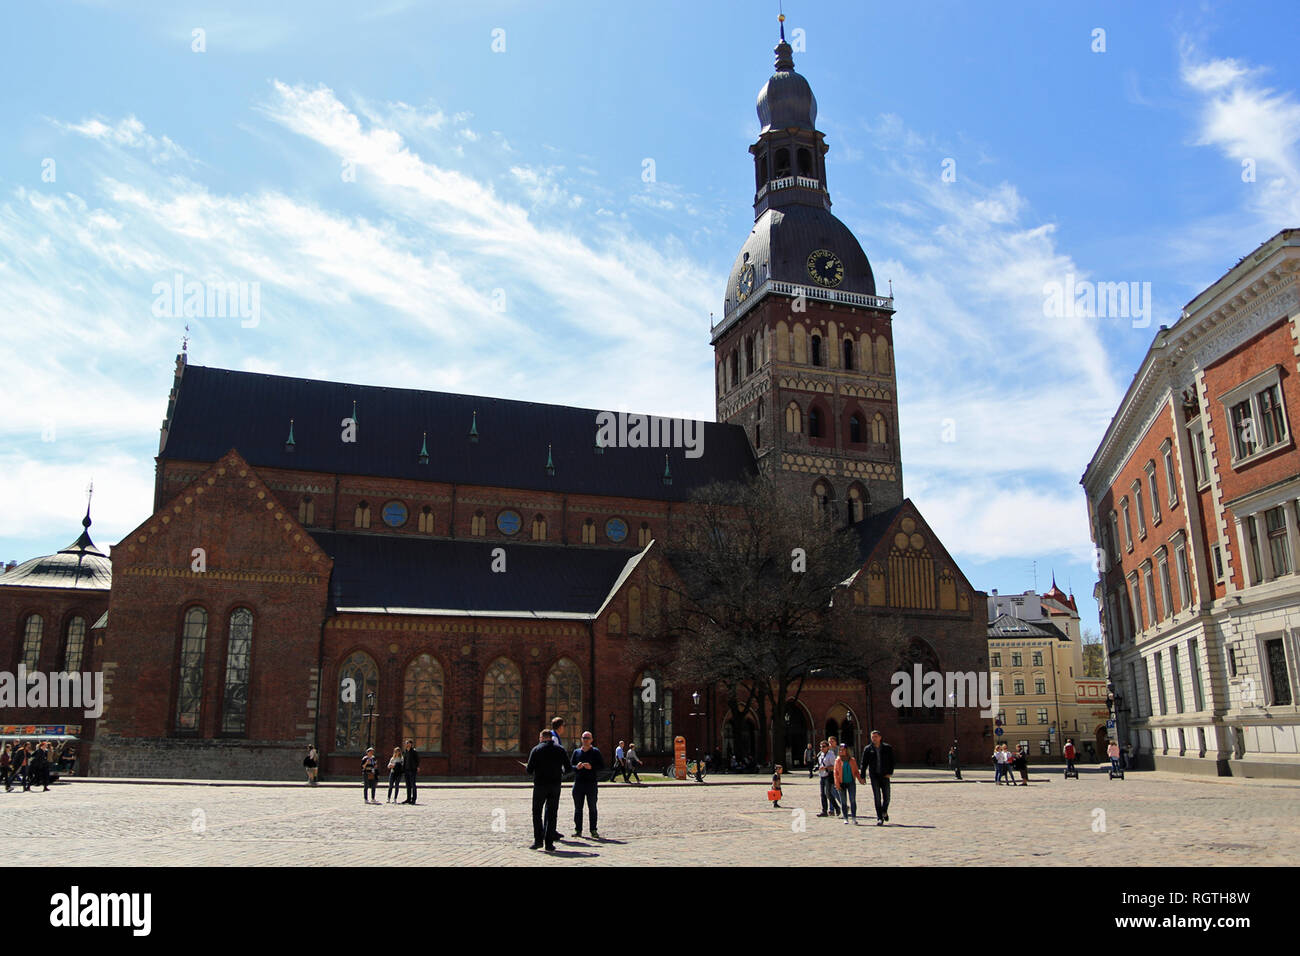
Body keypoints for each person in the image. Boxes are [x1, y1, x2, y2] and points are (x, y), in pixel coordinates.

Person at [525, 729, 570, 851]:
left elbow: (529, 770)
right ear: (551, 737)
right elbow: (568, 768)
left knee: (537, 813)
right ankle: (549, 843)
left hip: (540, 785)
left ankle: (538, 841)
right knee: (552, 814)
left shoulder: (536, 749)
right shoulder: (560, 749)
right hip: (555, 785)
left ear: (542, 737)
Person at [570, 731, 605, 839]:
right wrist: (577, 767)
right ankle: (578, 830)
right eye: (584, 738)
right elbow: (570, 766)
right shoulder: (576, 752)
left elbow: (602, 766)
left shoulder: (595, 752)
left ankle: (593, 830)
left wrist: (591, 767)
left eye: (588, 738)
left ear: (591, 740)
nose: (585, 740)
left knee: (592, 808)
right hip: (579, 784)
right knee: (578, 809)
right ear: (581, 739)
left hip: (591, 784)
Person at [861, 730, 894, 825]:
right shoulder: (868, 749)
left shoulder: (887, 748)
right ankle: (879, 817)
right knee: (877, 797)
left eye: (875, 737)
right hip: (874, 776)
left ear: (880, 737)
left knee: (887, 797)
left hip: (885, 775)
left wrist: (890, 772)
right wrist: (862, 776)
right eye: (872, 737)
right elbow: (864, 763)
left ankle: (884, 811)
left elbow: (892, 761)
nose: (874, 739)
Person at [834, 744, 862, 825]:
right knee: (843, 801)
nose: (841, 751)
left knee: (852, 800)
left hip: (851, 782)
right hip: (841, 783)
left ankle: (854, 817)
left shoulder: (852, 760)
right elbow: (835, 773)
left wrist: (860, 779)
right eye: (840, 750)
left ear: (847, 750)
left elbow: (856, 771)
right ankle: (845, 818)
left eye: (842, 749)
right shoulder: (837, 761)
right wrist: (837, 784)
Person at [815, 739, 839, 818]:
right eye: (821, 747)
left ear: (828, 747)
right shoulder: (820, 755)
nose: (822, 748)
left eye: (824, 747)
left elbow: (834, 766)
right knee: (822, 794)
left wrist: (825, 768)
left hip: (829, 775)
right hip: (822, 776)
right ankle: (824, 811)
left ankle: (837, 807)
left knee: (828, 793)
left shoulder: (831, 755)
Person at [402, 738, 420, 804]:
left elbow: (417, 760)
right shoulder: (405, 752)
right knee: (408, 785)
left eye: (408, 743)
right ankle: (408, 799)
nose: (407, 744)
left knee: (413, 785)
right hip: (406, 770)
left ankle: (413, 799)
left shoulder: (414, 752)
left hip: (412, 770)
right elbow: (404, 761)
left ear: (411, 744)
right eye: (406, 743)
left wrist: (417, 767)